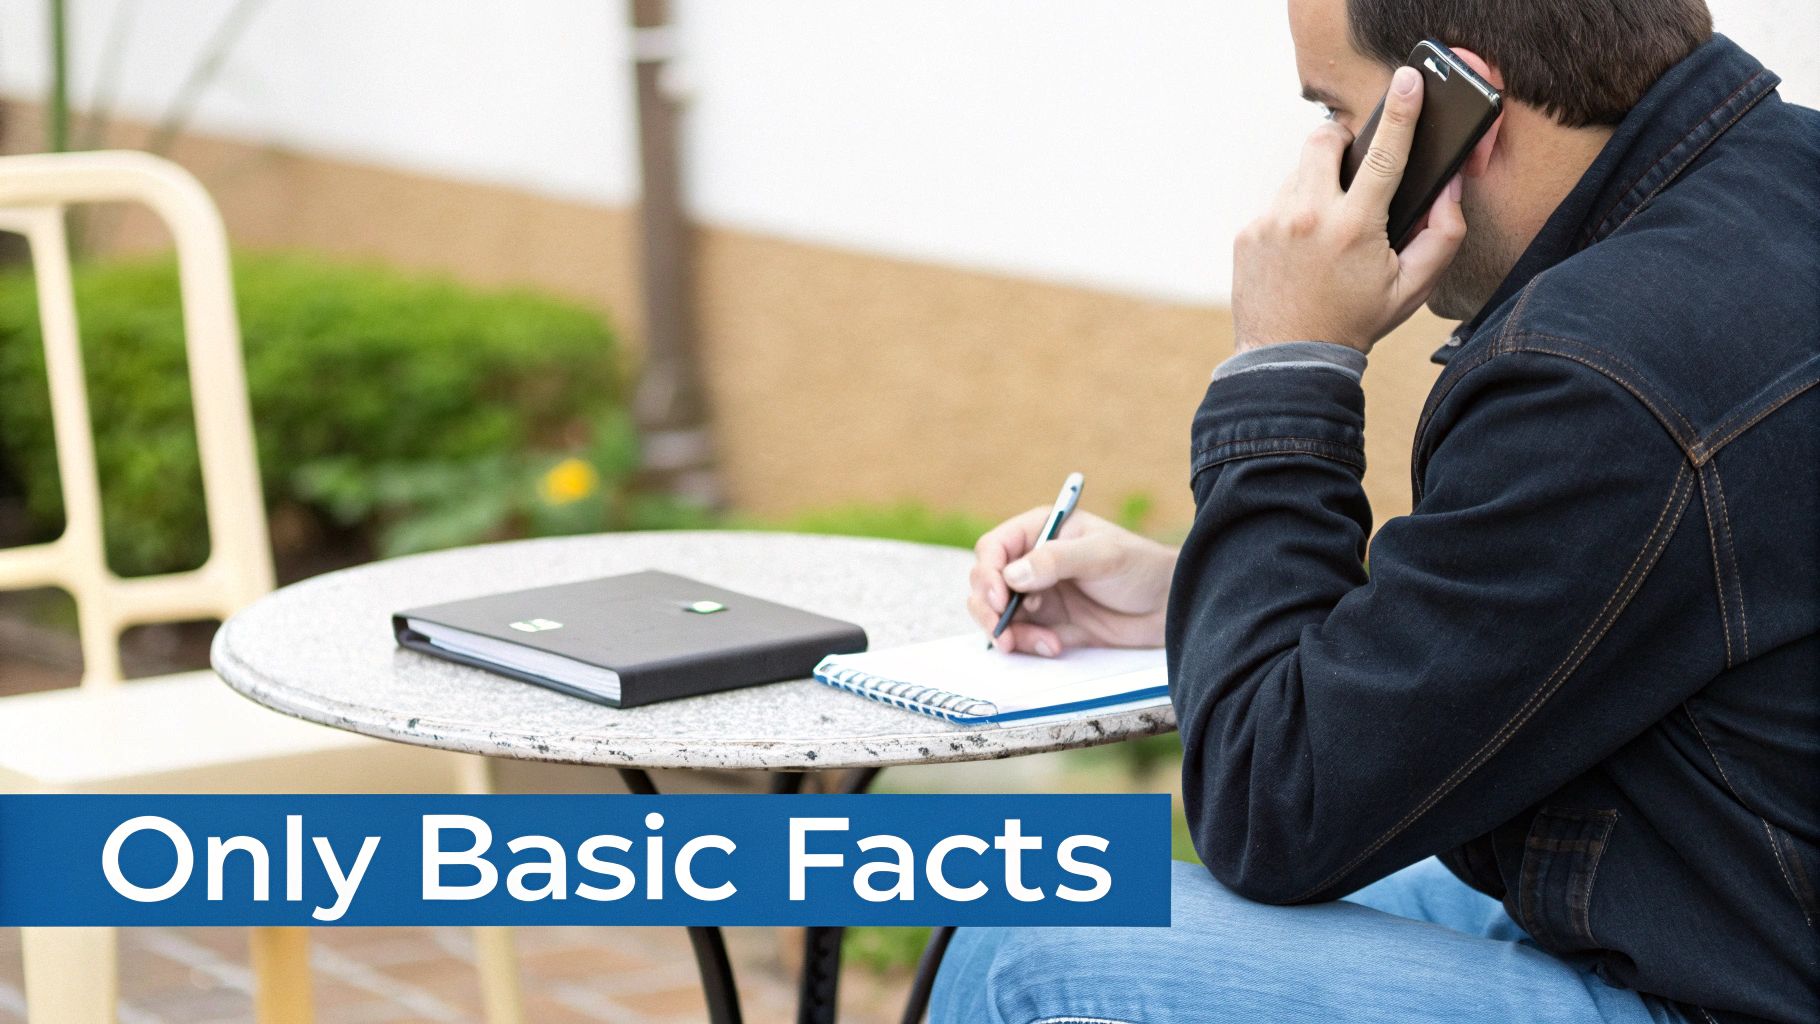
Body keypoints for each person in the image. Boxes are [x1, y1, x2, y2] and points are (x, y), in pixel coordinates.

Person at [935, 1, 1819, 1021]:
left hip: (1729, 986)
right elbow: (1564, 612)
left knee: (1030, 942)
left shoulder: (1600, 376)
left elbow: (1272, 806)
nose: (1328, 163)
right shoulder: (1776, 192)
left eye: (1332, 114)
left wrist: (1285, 361)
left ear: (1453, 106)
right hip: (1728, 903)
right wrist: (1196, 594)